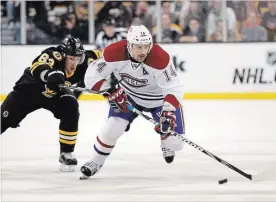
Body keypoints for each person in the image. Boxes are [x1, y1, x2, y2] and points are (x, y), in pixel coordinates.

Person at [80, 25, 185, 179]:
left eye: (146, 46)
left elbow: (174, 87)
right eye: (138, 47)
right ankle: (95, 162)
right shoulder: (113, 52)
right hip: (128, 96)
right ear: (129, 45)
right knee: (112, 128)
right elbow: (91, 77)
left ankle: (165, 140)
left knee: (175, 143)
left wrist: (168, 112)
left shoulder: (160, 57)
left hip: (158, 101)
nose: (143, 51)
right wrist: (110, 90)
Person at [1, 36, 101, 171]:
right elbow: (37, 66)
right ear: (63, 55)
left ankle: (66, 152)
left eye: (77, 59)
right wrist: (50, 74)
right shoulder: (53, 55)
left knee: (71, 107)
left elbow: (107, 57)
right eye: (71, 59)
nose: (74, 64)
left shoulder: (87, 60)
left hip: (55, 95)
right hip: (28, 92)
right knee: (4, 120)